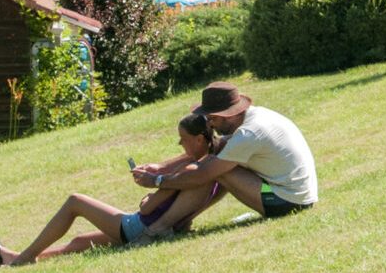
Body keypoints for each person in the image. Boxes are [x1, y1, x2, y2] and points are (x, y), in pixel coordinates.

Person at [0, 112, 225, 266]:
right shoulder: (210, 168)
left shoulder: (187, 174)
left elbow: (148, 208)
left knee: (75, 201)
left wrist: (149, 195)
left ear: (199, 140)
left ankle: (24, 259)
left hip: (141, 229)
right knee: (81, 241)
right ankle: (16, 257)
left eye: (183, 139)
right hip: (162, 229)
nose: (180, 144)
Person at [133, 81, 317, 222]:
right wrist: (161, 167)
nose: (209, 124)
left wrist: (157, 181)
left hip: (287, 202)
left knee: (217, 170)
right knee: (218, 161)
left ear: (229, 114)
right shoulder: (255, 116)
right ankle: (173, 221)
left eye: (212, 118)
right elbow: (215, 146)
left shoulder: (249, 133)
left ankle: (165, 224)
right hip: (297, 196)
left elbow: (202, 175)